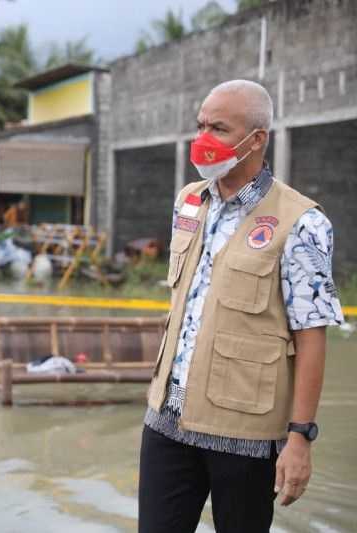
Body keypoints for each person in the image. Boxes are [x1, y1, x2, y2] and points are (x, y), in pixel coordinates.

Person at [138, 80, 344, 533]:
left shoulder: (302, 222)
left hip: (245, 436)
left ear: (256, 140)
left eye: (218, 128)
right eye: (200, 125)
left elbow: (311, 337)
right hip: (166, 422)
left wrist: (300, 438)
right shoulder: (189, 201)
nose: (203, 138)